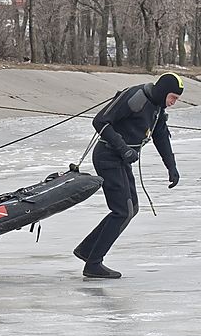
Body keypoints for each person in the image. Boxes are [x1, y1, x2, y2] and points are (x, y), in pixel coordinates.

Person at [74, 72, 184, 279]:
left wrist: (172, 167)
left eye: (176, 99)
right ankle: (93, 264)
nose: (173, 102)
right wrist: (123, 148)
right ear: (163, 91)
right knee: (123, 211)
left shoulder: (158, 108)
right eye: (173, 97)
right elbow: (100, 121)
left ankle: (87, 250)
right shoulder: (136, 97)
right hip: (108, 156)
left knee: (131, 207)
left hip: (121, 159)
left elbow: (161, 136)